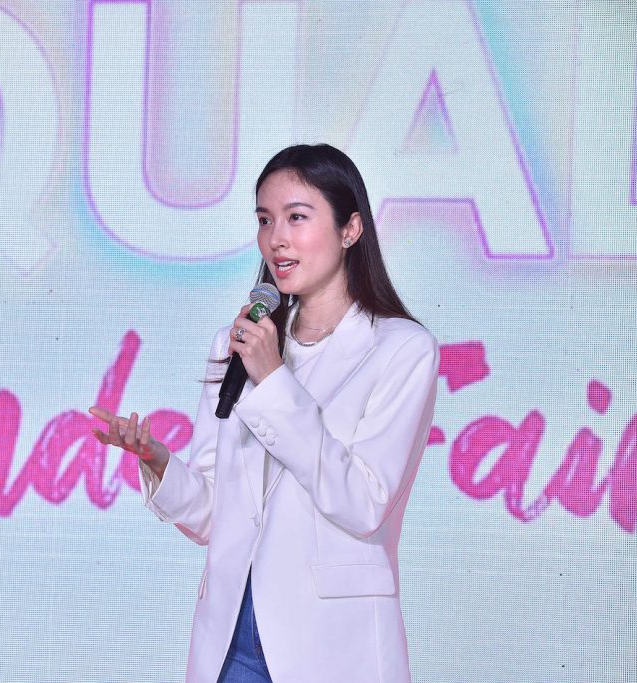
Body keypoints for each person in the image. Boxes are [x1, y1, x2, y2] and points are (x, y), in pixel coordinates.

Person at [90, 143, 439, 683]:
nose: (276, 238)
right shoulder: (238, 342)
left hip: (332, 639)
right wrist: (157, 460)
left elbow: (364, 502)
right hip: (232, 636)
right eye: (264, 219)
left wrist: (274, 378)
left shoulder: (401, 349)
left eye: (297, 217)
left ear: (350, 229)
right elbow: (212, 516)